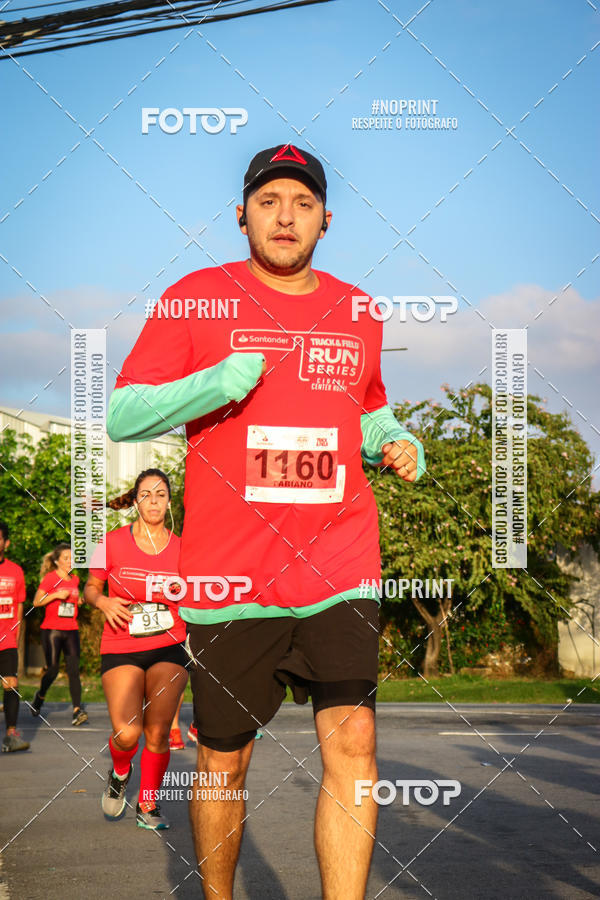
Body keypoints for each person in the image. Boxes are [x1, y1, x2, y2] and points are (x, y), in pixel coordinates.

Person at [107, 144, 425, 898]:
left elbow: (368, 407)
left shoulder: (358, 310)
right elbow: (122, 414)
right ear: (241, 214)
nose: (287, 215)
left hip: (339, 562)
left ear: (326, 221)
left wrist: (394, 439)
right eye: (270, 200)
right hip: (233, 579)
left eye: (304, 203)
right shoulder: (196, 299)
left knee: (355, 739)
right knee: (224, 761)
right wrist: (216, 381)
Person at [84, 468, 188, 830]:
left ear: (169, 501)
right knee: (128, 733)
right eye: (146, 494)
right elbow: (91, 587)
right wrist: (104, 603)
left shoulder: (184, 547)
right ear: (136, 500)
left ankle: (147, 804)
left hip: (169, 644)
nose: (154, 500)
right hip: (122, 644)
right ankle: (120, 771)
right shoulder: (112, 541)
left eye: (161, 494)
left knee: (159, 733)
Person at [31, 543, 87, 726]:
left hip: (71, 629)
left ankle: (77, 711)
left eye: (72, 558)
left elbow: (74, 599)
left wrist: (79, 600)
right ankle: (40, 696)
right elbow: (37, 602)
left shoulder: (75, 580)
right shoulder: (50, 578)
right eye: (66, 558)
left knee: (73, 671)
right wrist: (55, 595)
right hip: (52, 630)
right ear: (56, 561)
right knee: (53, 669)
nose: (70, 561)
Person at [0, 521, 29, 753]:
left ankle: (11, 735)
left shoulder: (16, 571)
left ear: (5, 543)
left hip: (7, 638)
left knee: (11, 683)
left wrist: (16, 635)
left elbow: (19, 606)